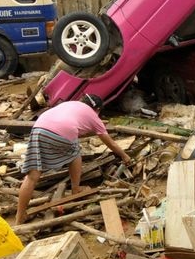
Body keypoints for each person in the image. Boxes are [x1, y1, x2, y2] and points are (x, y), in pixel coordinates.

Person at [15, 94, 131, 224]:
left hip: (38, 129)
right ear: (97, 109)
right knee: (75, 153)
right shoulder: (93, 116)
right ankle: (76, 189)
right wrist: (124, 156)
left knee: (32, 176)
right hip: (61, 133)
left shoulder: (70, 104)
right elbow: (110, 143)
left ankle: (20, 215)